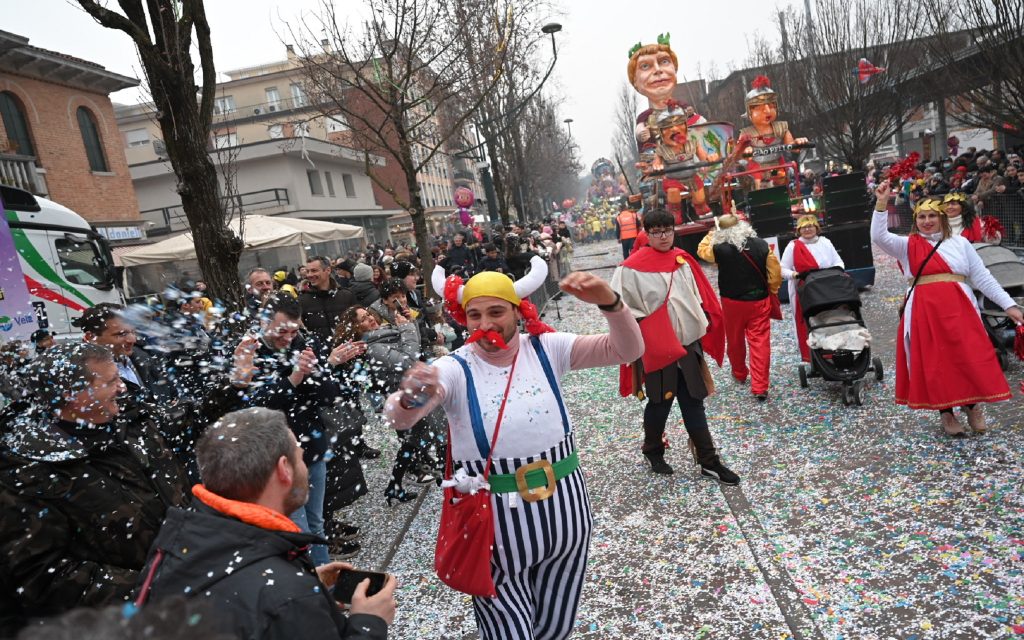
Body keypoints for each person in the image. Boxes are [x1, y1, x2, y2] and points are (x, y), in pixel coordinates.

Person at [383, 255, 643, 640]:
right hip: (495, 524)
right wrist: (408, 398)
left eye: (496, 312)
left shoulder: (547, 347)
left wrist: (611, 302)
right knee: (509, 632)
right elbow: (398, 419)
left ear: (519, 312)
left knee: (556, 627)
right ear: (463, 318)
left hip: (566, 513)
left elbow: (627, 350)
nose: (485, 324)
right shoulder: (455, 366)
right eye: (474, 315)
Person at [0, 340, 254, 635]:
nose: (122, 387)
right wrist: (154, 586)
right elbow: (41, 576)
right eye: (111, 381)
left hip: (192, 590)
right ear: (72, 395)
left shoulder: (132, 419)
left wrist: (234, 384)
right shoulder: (28, 471)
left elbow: (189, 418)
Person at [137, 407, 395, 640]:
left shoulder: (179, 537)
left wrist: (302, 580)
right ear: (285, 469)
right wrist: (369, 624)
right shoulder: (288, 598)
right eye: (300, 455)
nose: (305, 466)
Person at [871, 186, 1023, 435]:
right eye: (922, 216)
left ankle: (973, 406)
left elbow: (983, 278)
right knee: (936, 361)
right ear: (915, 220)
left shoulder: (960, 243)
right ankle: (946, 413)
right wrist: (881, 203)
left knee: (966, 356)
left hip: (960, 308)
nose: (927, 221)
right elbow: (878, 237)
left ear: (941, 217)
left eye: (932, 216)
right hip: (924, 311)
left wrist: (1009, 305)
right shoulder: (907, 245)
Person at [612, 209, 738, 483]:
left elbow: (696, 296)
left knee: (694, 401)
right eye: (656, 232)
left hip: (688, 344)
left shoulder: (683, 260)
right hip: (657, 347)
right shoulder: (629, 269)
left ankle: (708, 460)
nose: (663, 237)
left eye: (667, 230)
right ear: (647, 233)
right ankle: (653, 450)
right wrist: (645, 328)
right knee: (660, 402)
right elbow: (620, 309)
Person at [246, 295, 366, 564]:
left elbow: (330, 396)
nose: (288, 338)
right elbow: (257, 404)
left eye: (294, 330)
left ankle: (325, 583)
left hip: (312, 447)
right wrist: (295, 377)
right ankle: (312, 589)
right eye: (282, 331)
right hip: (279, 457)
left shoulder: (304, 345)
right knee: (297, 530)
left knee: (316, 522)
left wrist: (321, 369)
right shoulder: (251, 353)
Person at [334, 304, 438, 502]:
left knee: (412, 441)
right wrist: (406, 328)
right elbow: (408, 360)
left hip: (411, 393)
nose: (370, 319)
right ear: (355, 327)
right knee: (411, 441)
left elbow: (411, 347)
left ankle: (397, 484)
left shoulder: (382, 334)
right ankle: (398, 483)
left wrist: (409, 323)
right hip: (403, 398)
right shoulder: (373, 347)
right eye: (363, 319)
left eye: (368, 315)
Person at [697, 214, 782, 401]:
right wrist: (772, 290)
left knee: (735, 339)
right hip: (758, 300)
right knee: (760, 341)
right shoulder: (761, 245)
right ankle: (760, 386)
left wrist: (712, 234)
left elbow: (702, 251)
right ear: (742, 226)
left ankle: (740, 372)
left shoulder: (718, 249)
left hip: (731, 302)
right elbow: (775, 274)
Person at [78, 303, 178, 406]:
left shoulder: (145, 359)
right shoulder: (83, 379)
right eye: (121, 334)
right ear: (91, 337)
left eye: (133, 332)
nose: (132, 340)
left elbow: (172, 393)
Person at [780, 215, 845, 363]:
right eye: (804, 227)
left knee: (832, 318)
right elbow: (782, 269)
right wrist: (796, 275)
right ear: (799, 230)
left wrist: (835, 273)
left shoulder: (825, 242)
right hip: (805, 290)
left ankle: (835, 348)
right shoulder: (793, 246)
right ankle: (814, 354)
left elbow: (839, 262)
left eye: (811, 226)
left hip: (829, 288)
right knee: (811, 321)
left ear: (817, 228)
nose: (808, 229)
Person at [299, 256, 357, 343]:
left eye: (314, 271)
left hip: (349, 351)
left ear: (328, 270)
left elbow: (357, 324)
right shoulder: (302, 301)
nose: (309, 275)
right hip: (319, 354)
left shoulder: (346, 295)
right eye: (308, 271)